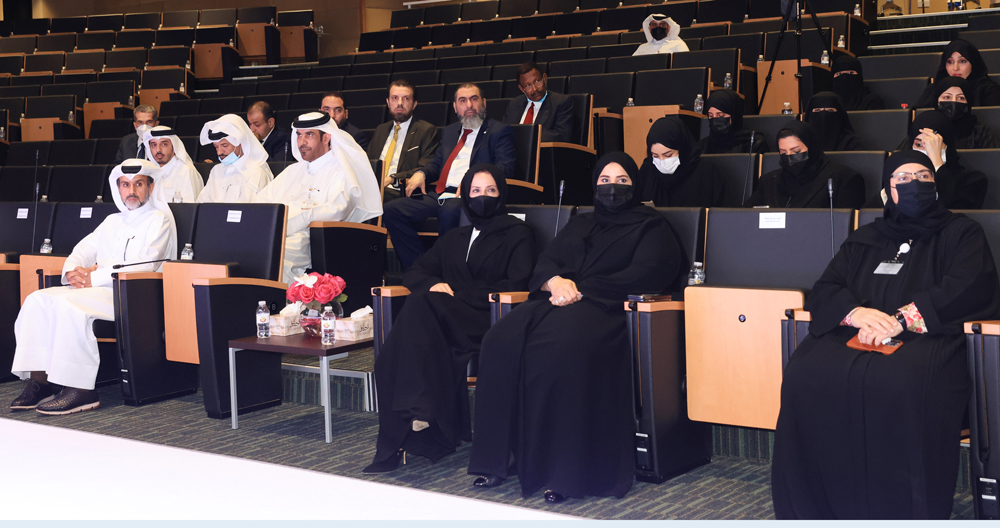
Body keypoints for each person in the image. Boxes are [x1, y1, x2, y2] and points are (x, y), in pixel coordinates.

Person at [771, 150, 1000, 519]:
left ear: (936, 186)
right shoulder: (866, 237)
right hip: (858, 333)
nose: (916, 184)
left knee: (897, 382)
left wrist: (903, 319)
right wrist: (856, 312)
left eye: (924, 177)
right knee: (805, 374)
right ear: (887, 192)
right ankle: (817, 510)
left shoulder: (962, 231)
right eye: (904, 179)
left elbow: (971, 285)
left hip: (927, 337)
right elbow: (827, 286)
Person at [468, 152, 686, 503]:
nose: (611, 188)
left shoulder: (652, 226)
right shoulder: (582, 222)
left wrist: (582, 290)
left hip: (608, 309)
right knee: (499, 340)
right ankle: (501, 458)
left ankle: (565, 471)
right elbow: (548, 260)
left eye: (621, 182)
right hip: (555, 301)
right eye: (604, 181)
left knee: (562, 349)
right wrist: (554, 281)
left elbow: (651, 272)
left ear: (635, 185)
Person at [363, 165, 536, 474]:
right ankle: (417, 410)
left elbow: (517, 284)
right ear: (464, 196)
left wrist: (455, 294)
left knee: (419, 310)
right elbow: (417, 271)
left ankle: (416, 413)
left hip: (489, 320)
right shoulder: (455, 236)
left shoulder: (518, 233)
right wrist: (433, 285)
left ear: (502, 194)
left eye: (491, 191)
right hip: (443, 322)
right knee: (420, 306)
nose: (483, 197)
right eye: (476, 191)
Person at [8, 159, 176, 415]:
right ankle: (41, 382)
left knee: (69, 306)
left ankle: (81, 389)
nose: (131, 191)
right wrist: (73, 272)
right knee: (36, 299)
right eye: (125, 185)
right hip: (98, 290)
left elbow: (146, 266)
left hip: (131, 295)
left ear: (150, 188)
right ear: (118, 188)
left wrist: (93, 278)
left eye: (138, 184)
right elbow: (82, 251)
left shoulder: (159, 220)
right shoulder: (112, 220)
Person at [382, 83, 516, 270]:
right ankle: (419, 269)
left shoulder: (498, 131)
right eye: (462, 100)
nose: (469, 105)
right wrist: (421, 173)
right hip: (440, 194)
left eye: (474, 99)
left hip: (471, 196)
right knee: (391, 210)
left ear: (483, 103)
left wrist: (472, 181)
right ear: (455, 107)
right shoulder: (450, 131)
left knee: (450, 211)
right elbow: (438, 164)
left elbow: (505, 167)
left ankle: (447, 272)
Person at [254, 112, 382, 284]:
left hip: (312, 238)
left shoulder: (342, 170)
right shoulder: (292, 171)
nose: (302, 142)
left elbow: (338, 210)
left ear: (326, 137)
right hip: (278, 233)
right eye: (299, 135)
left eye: (309, 135)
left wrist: (292, 220)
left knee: (272, 253)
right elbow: (261, 203)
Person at [870, 110, 986, 210]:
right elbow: (871, 211)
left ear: (947, 146)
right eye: (919, 144)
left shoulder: (972, 181)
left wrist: (937, 163)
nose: (926, 151)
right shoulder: (902, 178)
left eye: (933, 145)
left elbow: (949, 211)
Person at [745, 121, 866, 208]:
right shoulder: (769, 181)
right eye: (783, 152)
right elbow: (744, 216)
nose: (789, 157)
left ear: (812, 148)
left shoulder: (844, 179)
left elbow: (843, 225)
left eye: (796, 152)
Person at [367, 80, 440, 201]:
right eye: (395, 98)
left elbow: (425, 167)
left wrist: (393, 178)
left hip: (400, 191)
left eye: (406, 98)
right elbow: (368, 162)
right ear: (388, 102)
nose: (399, 103)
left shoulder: (426, 130)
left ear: (414, 104)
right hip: (373, 189)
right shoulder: (381, 130)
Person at [640, 116, 730, 207]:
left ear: (682, 149)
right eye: (655, 156)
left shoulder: (707, 172)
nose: (662, 161)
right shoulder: (647, 171)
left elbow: (721, 215)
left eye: (668, 155)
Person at [196, 114, 274, 203]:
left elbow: (255, 212)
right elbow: (201, 204)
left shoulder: (256, 172)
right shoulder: (216, 170)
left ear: (240, 143)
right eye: (216, 147)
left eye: (224, 145)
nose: (219, 152)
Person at [915, 76, 999, 150]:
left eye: (960, 98)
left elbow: (993, 162)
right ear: (937, 101)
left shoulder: (982, 132)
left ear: (968, 102)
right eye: (947, 97)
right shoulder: (925, 130)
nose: (954, 102)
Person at [914, 39, 1000, 109]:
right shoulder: (933, 90)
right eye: (950, 62)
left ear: (973, 64)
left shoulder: (989, 91)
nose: (955, 68)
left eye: (963, 61)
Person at [502, 62, 575, 143]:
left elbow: (562, 135)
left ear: (545, 78)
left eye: (537, 81)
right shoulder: (514, 104)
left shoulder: (560, 102)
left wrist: (527, 136)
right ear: (522, 89)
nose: (535, 89)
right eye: (528, 85)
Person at [142, 125, 204, 203]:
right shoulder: (149, 173)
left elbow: (189, 209)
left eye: (164, 144)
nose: (158, 150)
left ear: (174, 147)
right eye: (154, 145)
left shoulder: (185, 171)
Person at [699, 89, 767, 155]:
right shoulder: (703, 146)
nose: (714, 121)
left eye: (720, 115)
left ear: (734, 115)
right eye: (711, 116)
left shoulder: (753, 143)